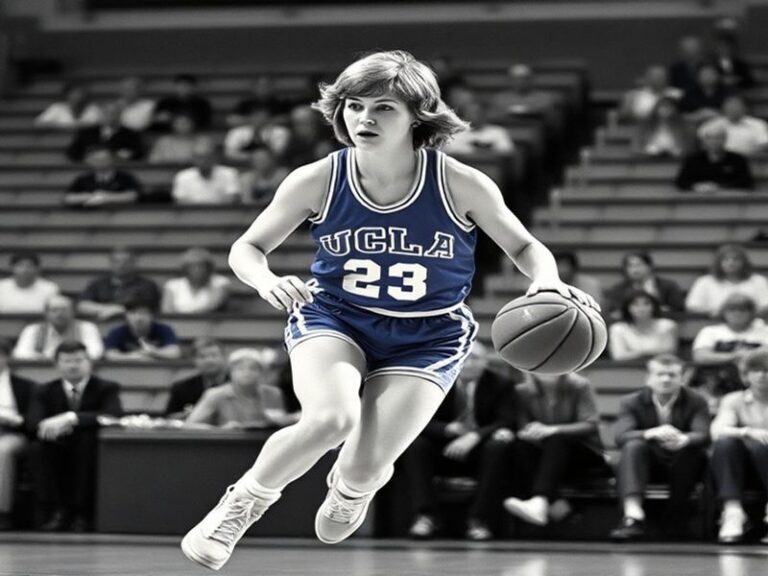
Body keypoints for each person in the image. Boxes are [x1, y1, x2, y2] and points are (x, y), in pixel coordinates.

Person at [180, 50, 598, 571]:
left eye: (384, 108)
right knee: (331, 418)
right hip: (336, 317)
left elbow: (527, 248)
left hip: (430, 335)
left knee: (361, 471)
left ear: (418, 116)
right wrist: (265, 280)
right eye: (355, 106)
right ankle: (239, 506)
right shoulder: (317, 178)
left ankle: (354, 485)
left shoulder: (460, 183)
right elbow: (247, 248)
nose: (365, 119)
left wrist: (549, 282)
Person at [399, 342, 517, 541]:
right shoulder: (437, 381)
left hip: (480, 451)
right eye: (466, 358)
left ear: (485, 362)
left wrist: (475, 436)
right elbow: (417, 418)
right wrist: (446, 429)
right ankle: (426, 516)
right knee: (415, 445)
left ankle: (478, 520)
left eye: (476, 359)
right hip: (444, 447)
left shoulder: (501, 383)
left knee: (498, 447)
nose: (469, 363)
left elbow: (507, 420)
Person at [610, 354, 710, 541]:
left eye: (672, 375)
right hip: (647, 465)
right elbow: (621, 436)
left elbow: (703, 434)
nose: (666, 379)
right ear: (648, 378)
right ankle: (632, 515)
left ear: (683, 378)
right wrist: (651, 432)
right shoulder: (631, 401)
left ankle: (677, 516)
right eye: (660, 374)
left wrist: (683, 439)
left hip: (683, 463)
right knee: (633, 446)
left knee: (693, 451)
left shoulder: (696, 400)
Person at [27, 340, 122, 532]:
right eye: (67, 360)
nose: (73, 365)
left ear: (89, 362)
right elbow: (33, 422)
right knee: (39, 448)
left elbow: (113, 414)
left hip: (90, 444)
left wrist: (71, 418)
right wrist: (50, 425)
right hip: (56, 444)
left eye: (78, 360)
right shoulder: (44, 390)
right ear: (57, 364)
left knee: (86, 445)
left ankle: (83, 514)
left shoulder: (106, 387)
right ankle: (55, 512)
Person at [503, 372, 609, 528]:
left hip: (584, 456)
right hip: (548, 458)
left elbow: (591, 424)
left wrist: (552, 429)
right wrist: (531, 432)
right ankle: (552, 503)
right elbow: (523, 427)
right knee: (520, 446)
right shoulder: (522, 391)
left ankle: (543, 502)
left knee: (557, 438)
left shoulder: (580, 385)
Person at [710, 348, 768, 543]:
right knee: (726, 443)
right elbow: (717, 431)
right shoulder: (733, 400)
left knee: (763, 447)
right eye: (756, 370)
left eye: (767, 370)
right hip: (741, 469)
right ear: (746, 375)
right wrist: (747, 431)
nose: (761, 375)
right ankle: (733, 513)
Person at [186, 347, 292, 429]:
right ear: (231, 372)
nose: (247, 373)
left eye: (253, 369)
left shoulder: (273, 394)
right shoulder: (215, 394)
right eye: (240, 369)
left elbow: (282, 424)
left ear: (261, 373)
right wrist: (220, 430)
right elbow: (190, 425)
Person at [0, 339, 36, 530]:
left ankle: (2, 513)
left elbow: (32, 419)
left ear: (7, 357)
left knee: (1, 450)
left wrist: (14, 420)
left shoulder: (24, 385)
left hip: (11, 434)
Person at [77, 247, 161, 320]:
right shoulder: (98, 284)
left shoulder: (147, 285)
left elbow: (142, 309)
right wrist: (107, 309)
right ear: (110, 263)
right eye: (117, 261)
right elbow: (82, 306)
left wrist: (120, 310)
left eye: (126, 262)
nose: (121, 265)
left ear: (134, 263)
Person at [12, 295, 103, 361]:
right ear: (46, 314)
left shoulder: (87, 327)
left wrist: (68, 359)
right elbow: (20, 353)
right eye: (54, 310)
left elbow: (96, 353)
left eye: (64, 310)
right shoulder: (33, 329)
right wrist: (47, 358)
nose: (59, 314)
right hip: (42, 371)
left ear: (73, 312)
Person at [686, 244, 768, 316]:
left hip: (754, 326)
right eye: (725, 260)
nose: (731, 263)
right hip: (713, 324)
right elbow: (693, 306)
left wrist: (745, 316)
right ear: (718, 263)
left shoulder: (759, 281)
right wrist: (715, 313)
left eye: (736, 259)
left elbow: (765, 305)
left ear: (744, 263)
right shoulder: (704, 281)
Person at [604, 251, 686, 319]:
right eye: (630, 266)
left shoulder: (668, 286)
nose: (635, 269)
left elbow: (678, 309)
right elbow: (613, 311)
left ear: (649, 266)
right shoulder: (618, 289)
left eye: (639, 265)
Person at [675, 123, 753, 193]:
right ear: (703, 141)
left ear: (725, 139)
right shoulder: (692, 160)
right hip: (698, 201)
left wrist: (719, 187)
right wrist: (696, 186)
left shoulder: (738, 159)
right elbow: (681, 182)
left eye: (718, 137)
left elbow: (746, 182)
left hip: (729, 201)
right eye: (709, 138)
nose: (714, 141)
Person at [164, 337, 229, 419]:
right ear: (194, 360)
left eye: (214, 355)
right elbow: (169, 417)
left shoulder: (237, 385)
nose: (209, 360)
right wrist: (192, 414)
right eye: (202, 357)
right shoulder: (181, 388)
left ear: (224, 357)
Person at [103, 298, 182, 362]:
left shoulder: (164, 329)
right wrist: (133, 357)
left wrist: (153, 352)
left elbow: (174, 352)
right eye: (133, 313)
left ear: (152, 316)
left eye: (143, 313)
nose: (138, 318)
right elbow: (110, 355)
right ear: (126, 316)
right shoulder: (117, 332)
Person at [64, 146, 143, 208]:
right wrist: (92, 196)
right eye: (95, 159)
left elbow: (133, 195)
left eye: (103, 158)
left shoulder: (125, 177)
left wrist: (106, 197)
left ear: (111, 159)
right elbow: (69, 198)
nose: (100, 162)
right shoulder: (83, 179)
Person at [609, 291, 679, 361]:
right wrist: (648, 353)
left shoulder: (667, 326)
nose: (641, 308)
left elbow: (669, 353)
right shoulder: (617, 329)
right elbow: (619, 356)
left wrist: (635, 354)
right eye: (635, 304)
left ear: (654, 306)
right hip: (628, 369)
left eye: (646, 304)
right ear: (627, 308)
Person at [65, 103, 146, 163]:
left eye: (114, 114)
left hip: (120, 169)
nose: (110, 117)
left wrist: (121, 156)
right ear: (101, 115)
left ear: (120, 116)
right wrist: (87, 157)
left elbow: (139, 154)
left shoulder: (131, 134)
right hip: (90, 169)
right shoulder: (86, 133)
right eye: (106, 113)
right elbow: (72, 152)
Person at [161, 247, 231, 314]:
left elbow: (214, 305)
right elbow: (167, 311)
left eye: (201, 266)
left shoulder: (221, 282)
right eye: (192, 266)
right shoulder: (172, 285)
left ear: (209, 268)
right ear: (185, 269)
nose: (197, 270)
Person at [171, 140, 242, 204]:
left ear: (214, 157)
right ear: (193, 158)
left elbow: (231, 200)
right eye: (199, 157)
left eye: (207, 157)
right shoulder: (182, 176)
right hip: (192, 217)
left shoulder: (230, 173)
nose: (203, 161)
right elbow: (180, 202)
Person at [442, 94, 514, 156]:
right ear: (464, 116)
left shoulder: (499, 132)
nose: (473, 116)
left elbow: (507, 151)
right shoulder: (455, 134)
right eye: (470, 113)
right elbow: (449, 152)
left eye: (477, 113)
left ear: (484, 114)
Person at [698, 95, 768, 158]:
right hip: (719, 160)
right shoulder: (712, 124)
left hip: (749, 159)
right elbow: (702, 144)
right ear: (723, 108)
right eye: (730, 106)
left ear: (745, 108)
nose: (733, 109)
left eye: (736, 105)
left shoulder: (758, 124)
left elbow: (763, 145)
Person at [224, 107, 291, 163]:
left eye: (262, 116)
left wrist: (262, 159)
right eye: (255, 115)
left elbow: (279, 153)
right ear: (250, 117)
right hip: (241, 166)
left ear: (268, 117)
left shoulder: (280, 131)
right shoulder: (237, 132)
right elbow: (229, 154)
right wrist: (254, 157)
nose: (258, 119)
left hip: (272, 166)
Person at [34, 83, 102, 129]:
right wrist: (62, 126)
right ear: (67, 95)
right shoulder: (57, 108)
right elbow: (38, 124)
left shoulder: (93, 108)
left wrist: (80, 126)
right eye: (74, 94)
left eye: (80, 94)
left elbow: (101, 124)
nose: (77, 97)